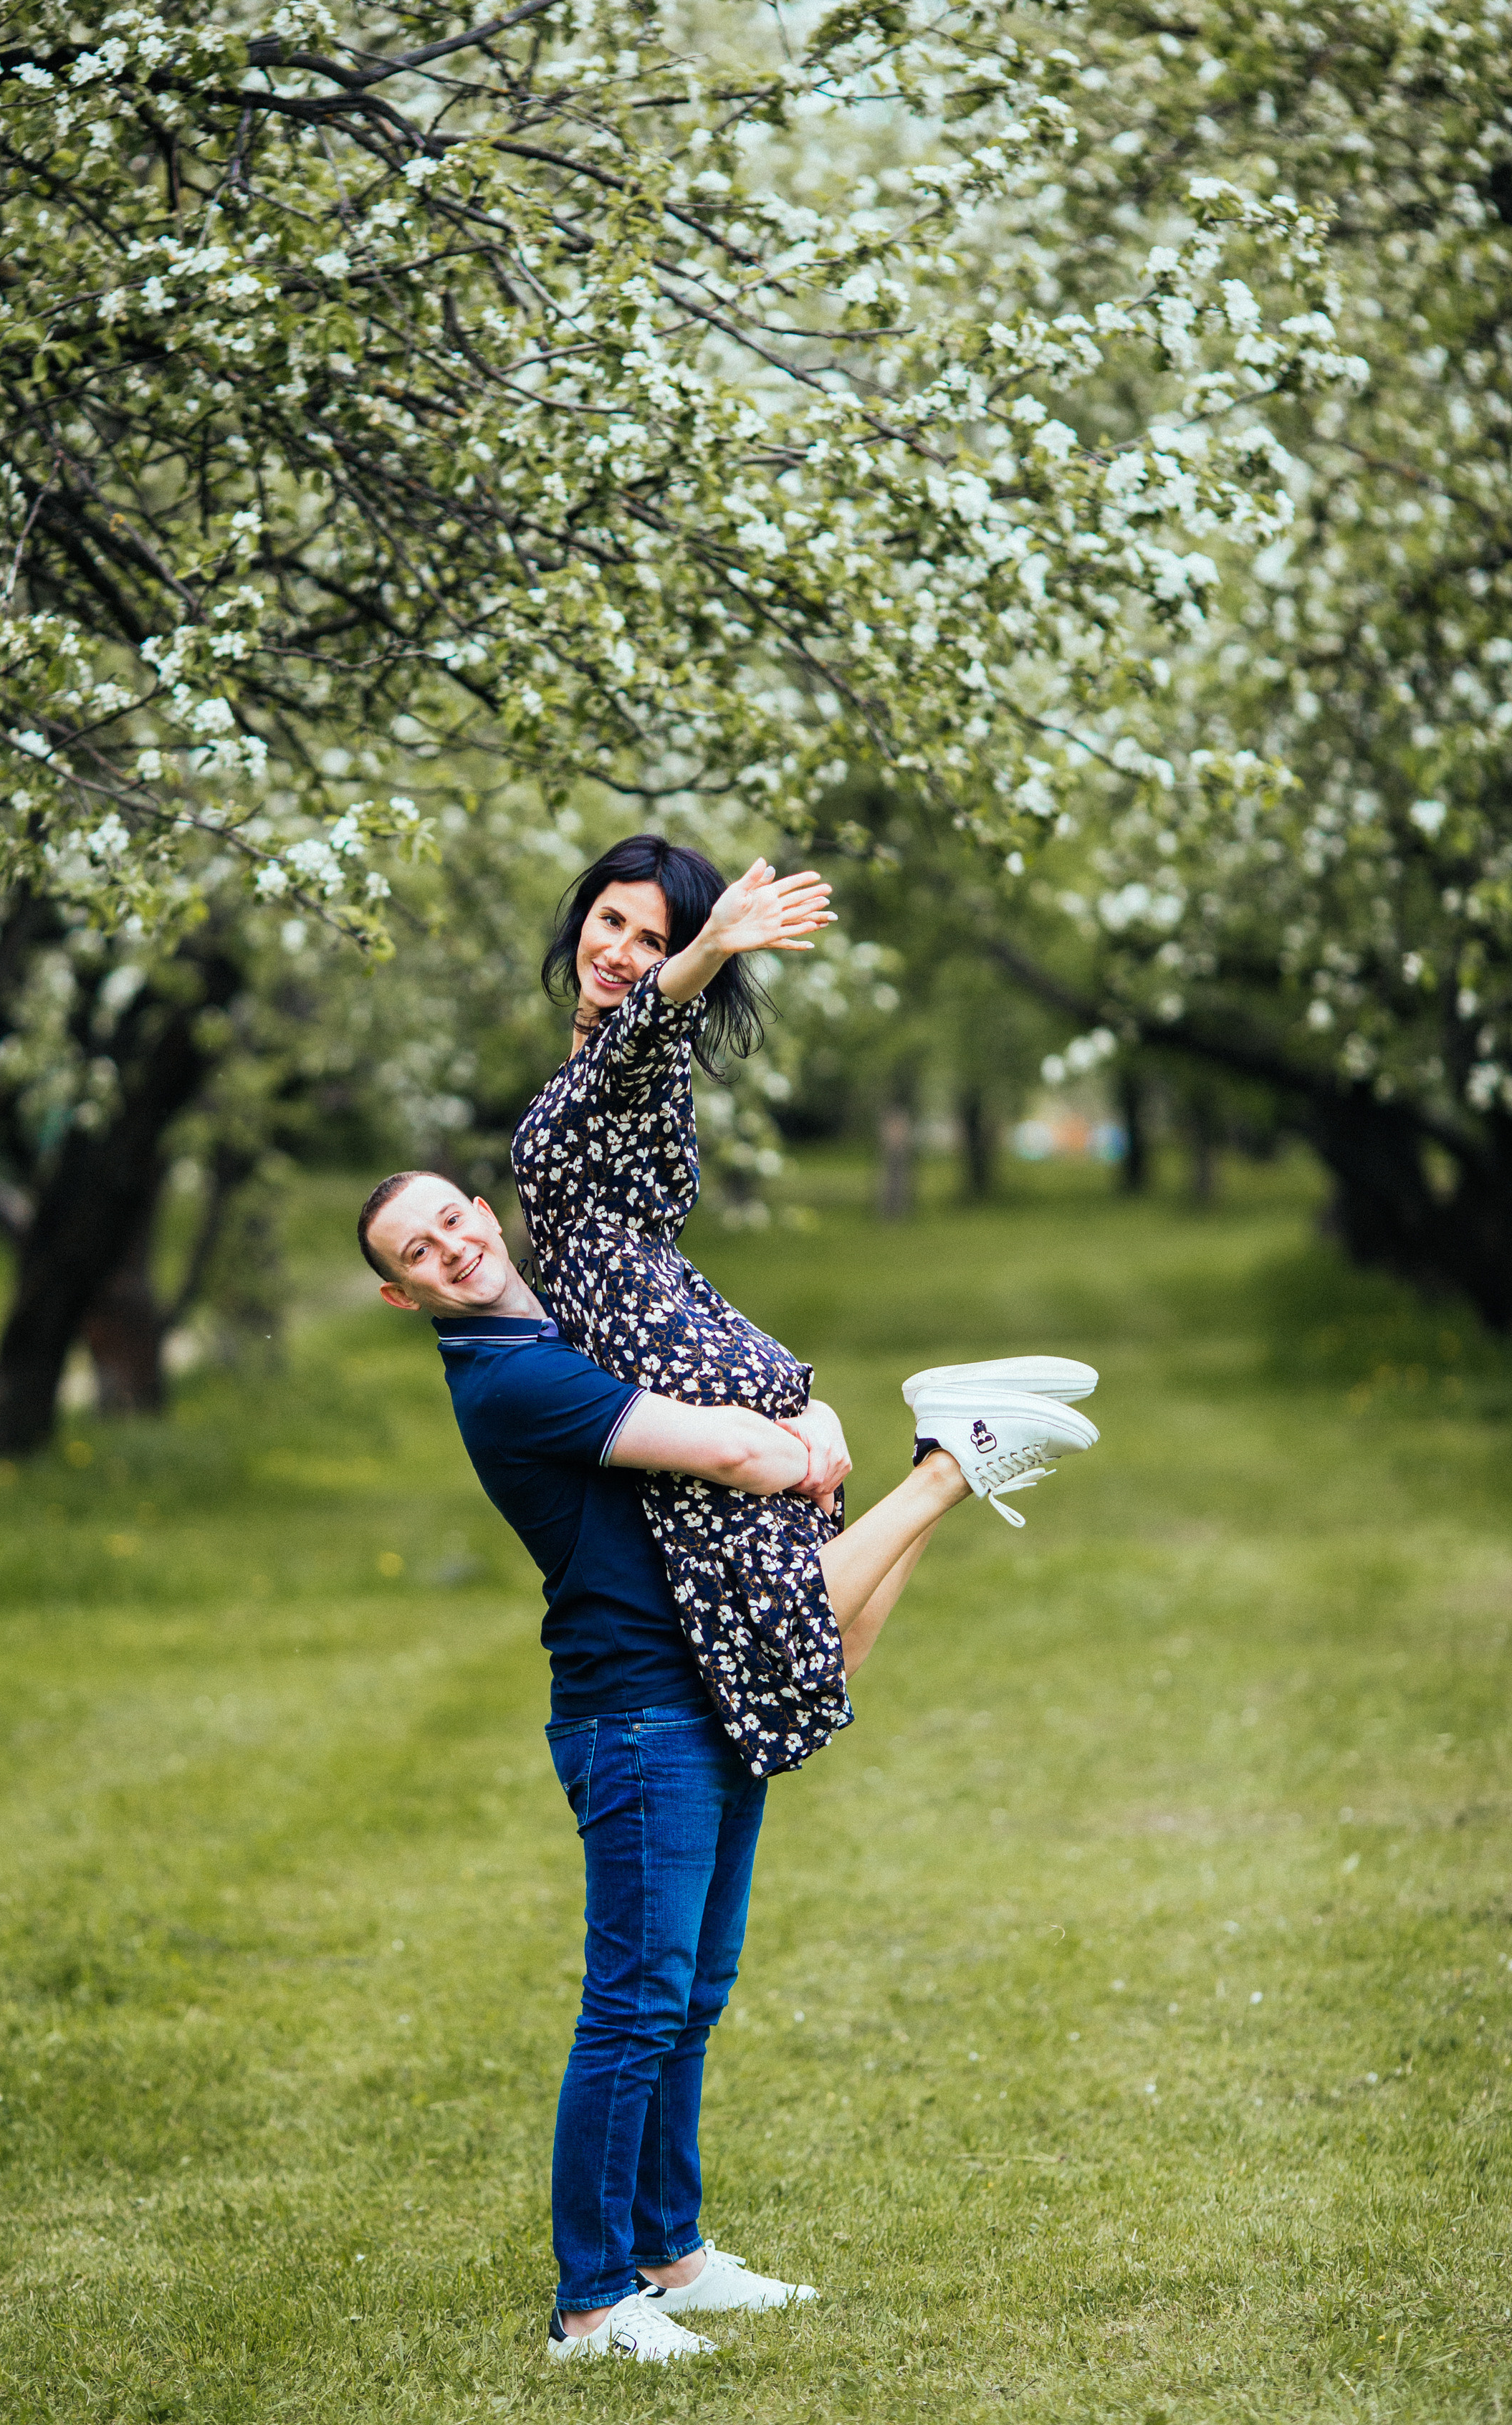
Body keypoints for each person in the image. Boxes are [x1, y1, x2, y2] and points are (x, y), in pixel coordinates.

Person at [359, 1170, 1098, 2361]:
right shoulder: (514, 1378)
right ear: (403, 1296)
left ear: (487, 1215)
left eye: (453, 1219)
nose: (448, 1247)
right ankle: (591, 2306)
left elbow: (729, 1384)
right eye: (416, 1251)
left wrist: (811, 1418)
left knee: (690, 1996)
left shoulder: (564, 1323)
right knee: (634, 2008)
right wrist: (800, 1437)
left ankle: (671, 2258)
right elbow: (729, 1449)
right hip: (637, 1715)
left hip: (697, 1688)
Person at [510, 835, 1094, 1781]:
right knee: (834, 1647)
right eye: (610, 921)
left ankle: (950, 1468)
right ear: (582, 917)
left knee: (787, 1635)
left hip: (665, 1360)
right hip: (691, 1337)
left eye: (652, 941)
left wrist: (708, 950)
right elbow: (625, 1045)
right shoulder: (598, 1070)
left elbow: (642, 1030)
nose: (619, 951)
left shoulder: (635, 1057)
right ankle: (948, 1444)